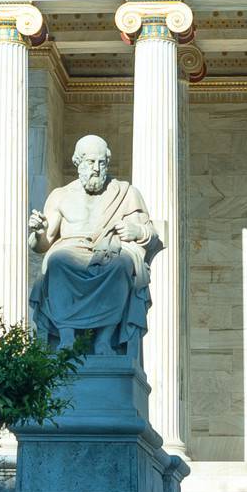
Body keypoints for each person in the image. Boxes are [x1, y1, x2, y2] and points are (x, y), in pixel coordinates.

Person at [28, 135, 161, 353]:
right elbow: (42, 244)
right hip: (70, 250)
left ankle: (104, 339)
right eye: (91, 162)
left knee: (121, 265)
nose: (97, 169)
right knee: (58, 261)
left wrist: (137, 230)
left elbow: (152, 234)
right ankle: (67, 336)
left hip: (108, 251)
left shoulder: (125, 193)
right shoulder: (60, 196)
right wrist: (38, 232)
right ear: (78, 162)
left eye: (102, 163)